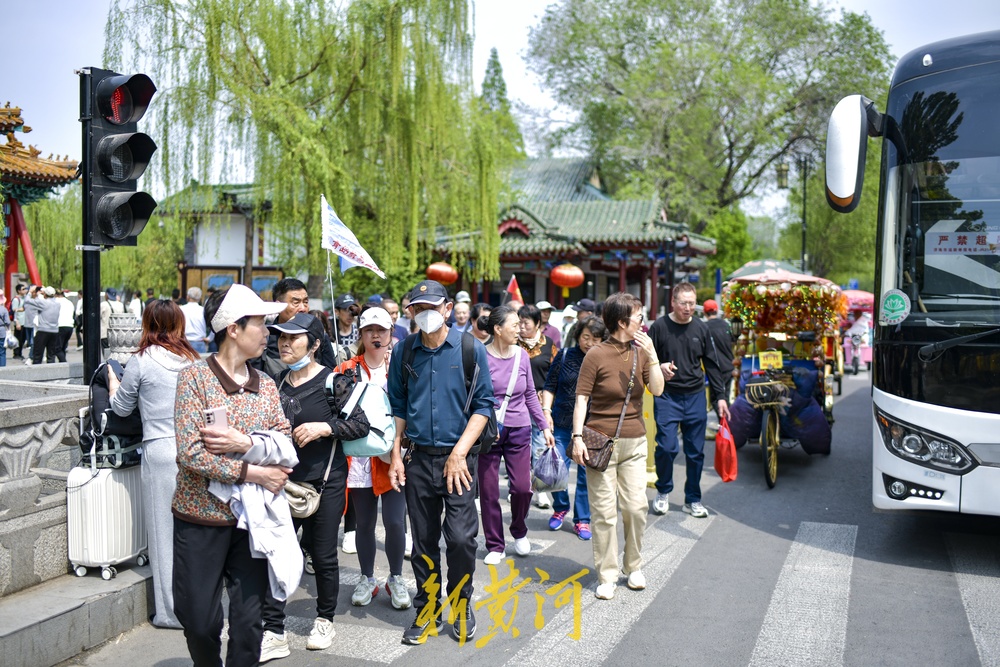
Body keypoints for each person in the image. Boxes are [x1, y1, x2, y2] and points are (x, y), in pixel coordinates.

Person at [171, 284, 292, 667]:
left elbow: (284, 443)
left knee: (248, 622)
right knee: (199, 621)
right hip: (199, 517)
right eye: (261, 323)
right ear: (234, 328)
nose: (268, 332)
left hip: (251, 522)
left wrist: (243, 441)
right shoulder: (195, 378)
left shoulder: (267, 385)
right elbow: (191, 453)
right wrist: (254, 471)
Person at [386, 280, 494, 645]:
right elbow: (398, 406)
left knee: (462, 539)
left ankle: (461, 602)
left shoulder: (469, 348)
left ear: (448, 308)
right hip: (418, 459)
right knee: (423, 541)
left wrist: (459, 452)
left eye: (432, 307)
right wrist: (396, 455)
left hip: (458, 460)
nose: (425, 314)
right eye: (418, 308)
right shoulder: (403, 352)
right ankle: (427, 606)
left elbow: (483, 406)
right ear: (410, 312)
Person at [258, 313, 369, 660]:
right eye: (280, 337)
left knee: (322, 556)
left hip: (325, 482)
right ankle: (273, 629)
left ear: (316, 344)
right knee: (276, 556)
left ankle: (324, 620)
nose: (284, 343)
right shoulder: (274, 382)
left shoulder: (334, 381)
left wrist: (325, 428)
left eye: (294, 337)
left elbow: (361, 425)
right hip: (280, 483)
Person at [108, 299, 200, 628]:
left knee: (163, 534)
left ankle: (171, 614)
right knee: (192, 532)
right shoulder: (193, 359)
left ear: (147, 324)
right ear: (178, 324)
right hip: (194, 449)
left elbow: (120, 408)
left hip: (160, 451)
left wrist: (113, 383)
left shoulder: (142, 361)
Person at [570, 292, 664, 600]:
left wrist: (652, 355)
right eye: (639, 317)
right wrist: (577, 437)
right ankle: (607, 574)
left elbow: (659, 390)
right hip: (600, 444)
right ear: (622, 322)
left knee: (637, 507)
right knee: (604, 513)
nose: (643, 321)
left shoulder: (641, 351)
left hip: (635, 441)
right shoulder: (596, 354)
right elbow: (582, 399)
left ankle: (633, 565)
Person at [334, 307, 411, 612]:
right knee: (363, 522)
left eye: (382, 330)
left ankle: (396, 577)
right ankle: (367, 577)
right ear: (361, 335)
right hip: (359, 455)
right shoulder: (346, 369)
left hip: (393, 455)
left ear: (391, 333)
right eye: (369, 331)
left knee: (394, 522)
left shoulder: (401, 368)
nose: (376, 336)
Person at [649, 283, 731, 519]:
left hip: (695, 396)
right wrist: (659, 366)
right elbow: (646, 357)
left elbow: (713, 366)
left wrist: (721, 398)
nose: (687, 308)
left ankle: (692, 499)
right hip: (667, 396)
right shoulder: (660, 327)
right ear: (673, 302)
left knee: (695, 452)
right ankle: (663, 490)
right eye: (683, 303)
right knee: (666, 447)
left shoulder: (701, 329)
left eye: (691, 303)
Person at [479, 306, 554, 564]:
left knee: (522, 488)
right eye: (514, 325)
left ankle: (519, 530)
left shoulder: (522, 356)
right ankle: (495, 545)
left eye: (521, 325)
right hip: (488, 431)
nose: (519, 329)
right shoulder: (480, 356)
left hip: (520, 428)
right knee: (489, 492)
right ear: (498, 329)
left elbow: (531, 393)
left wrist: (544, 425)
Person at [539, 315, 608, 540]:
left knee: (584, 475)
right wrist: (546, 412)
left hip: (591, 428)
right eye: (585, 337)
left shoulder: (604, 360)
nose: (589, 343)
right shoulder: (565, 355)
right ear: (578, 336)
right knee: (556, 467)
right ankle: (560, 508)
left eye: (595, 339)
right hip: (561, 423)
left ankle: (583, 520)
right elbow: (549, 386)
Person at [516, 304, 559, 508]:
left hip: (540, 404)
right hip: (516, 403)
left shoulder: (549, 344)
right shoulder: (513, 343)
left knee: (541, 448)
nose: (522, 327)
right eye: (519, 322)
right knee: (520, 449)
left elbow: (556, 373)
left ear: (538, 324)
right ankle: (519, 489)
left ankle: (541, 490)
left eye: (526, 323)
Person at [254, 278, 339, 378]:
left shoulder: (319, 337)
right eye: (296, 302)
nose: (303, 308)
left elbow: (330, 374)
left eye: (306, 302)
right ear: (278, 306)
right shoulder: (265, 337)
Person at [702, 299, 735, 406]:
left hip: (713, 367)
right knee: (725, 397)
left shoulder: (703, 327)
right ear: (717, 310)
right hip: (728, 366)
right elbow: (733, 342)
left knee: (715, 399)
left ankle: (725, 422)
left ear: (704, 312)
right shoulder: (726, 325)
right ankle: (727, 421)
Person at [24, 287, 64, 364]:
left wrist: (30, 292)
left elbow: (27, 301)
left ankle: (37, 371)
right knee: (51, 355)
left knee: (38, 354)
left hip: (43, 330)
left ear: (45, 294)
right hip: (54, 331)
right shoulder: (57, 304)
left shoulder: (43, 303)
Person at [180, 287, 210, 354]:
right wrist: (210, 338)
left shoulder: (181, 309)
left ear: (188, 296)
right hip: (200, 342)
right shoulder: (203, 310)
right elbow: (214, 324)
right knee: (201, 363)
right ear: (199, 298)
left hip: (184, 342)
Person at [100, 288, 124, 353]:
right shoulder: (120, 305)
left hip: (105, 333)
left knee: (107, 355)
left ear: (107, 295)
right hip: (117, 333)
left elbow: (99, 317)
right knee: (115, 354)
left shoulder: (103, 304)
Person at [55, 289, 75, 358]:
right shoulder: (69, 302)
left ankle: (63, 362)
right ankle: (63, 363)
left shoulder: (56, 301)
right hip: (69, 326)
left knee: (57, 348)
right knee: (63, 347)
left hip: (60, 325)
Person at [11, 283, 29, 360]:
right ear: (18, 291)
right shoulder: (16, 299)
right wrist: (17, 322)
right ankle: (16, 353)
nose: (25, 290)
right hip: (19, 322)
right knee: (18, 338)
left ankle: (20, 353)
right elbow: (14, 311)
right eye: (23, 289)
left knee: (22, 339)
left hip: (25, 322)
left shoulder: (25, 298)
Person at [0, 287, 9, 367]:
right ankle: (2, 368)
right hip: (1, 331)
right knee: (2, 351)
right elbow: (7, 322)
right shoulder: (4, 309)